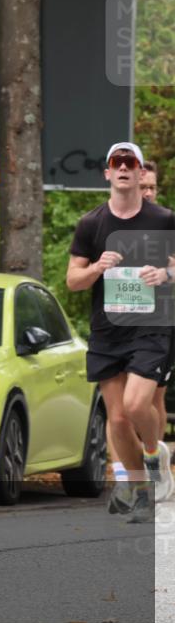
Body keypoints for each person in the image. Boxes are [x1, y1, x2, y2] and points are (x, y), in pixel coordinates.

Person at [67, 142, 175, 522]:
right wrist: (96, 268)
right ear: (108, 173)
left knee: (135, 405)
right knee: (116, 420)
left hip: (151, 327)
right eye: (119, 162)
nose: (126, 168)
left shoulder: (163, 219)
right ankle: (142, 491)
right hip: (108, 331)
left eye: (132, 162)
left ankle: (153, 454)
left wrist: (166, 274)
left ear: (141, 171)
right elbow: (73, 280)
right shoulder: (92, 224)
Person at [140, 160, 174, 448]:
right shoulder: (112, 221)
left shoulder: (167, 221)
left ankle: (156, 460)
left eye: (151, 187)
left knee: (154, 396)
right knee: (125, 404)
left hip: (160, 321)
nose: (148, 193)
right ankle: (132, 463)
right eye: (143, 187)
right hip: (121, 323)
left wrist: (168, 273)